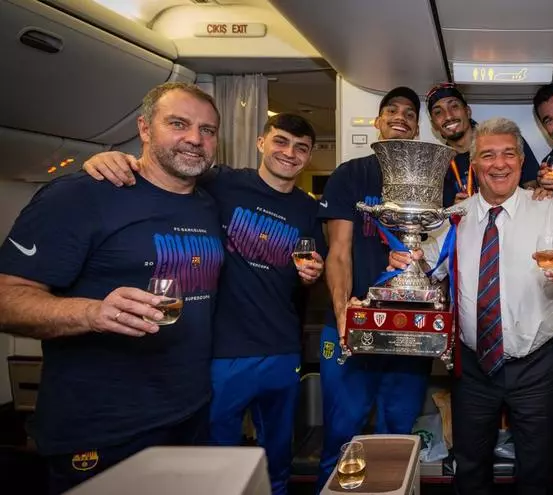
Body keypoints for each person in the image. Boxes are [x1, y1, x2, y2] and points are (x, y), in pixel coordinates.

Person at [80, 112, 326, 495]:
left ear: (308, 157)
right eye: (280, 141)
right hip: (222, 351)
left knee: (278, 457)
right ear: (261, 142)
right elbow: (161, 174)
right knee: (216, 461)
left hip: (282, 347)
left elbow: (309, 266)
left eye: (301, 148)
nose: (289, 153)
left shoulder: (307, 209)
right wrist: (111, 159)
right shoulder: (221, 181)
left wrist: (311, 273)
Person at [0, 82, 225, 494]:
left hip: (189, 413)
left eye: (207, 130)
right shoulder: (80, 196)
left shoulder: (208, 203)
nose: (195, 138)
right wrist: (92, 313)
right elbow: (6, 297)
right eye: (178, 124)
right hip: (103, 427)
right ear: (144, 128)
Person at [391, 117, 553, 495]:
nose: (499, 164)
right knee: (470, 467)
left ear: (521, 161)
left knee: (538, 469)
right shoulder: (453, 218)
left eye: (508, 154)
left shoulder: (552, 212)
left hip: (536, 368)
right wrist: (407, 262)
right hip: (472, 368)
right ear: (474, 164)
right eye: (488, 155)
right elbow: (426, 269)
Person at [316, 86, 431, 491]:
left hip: (408, 328)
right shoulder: (350, 174)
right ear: (378, 122)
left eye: (410, 113)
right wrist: (344, 315)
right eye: (391, 111)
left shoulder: (429, 180)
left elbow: (438, 254)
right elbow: (338, 253)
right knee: (341, 436)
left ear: (416, 129)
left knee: (396, 439)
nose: (400, 117)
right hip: (355, 321)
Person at [426, 83, 541, 206]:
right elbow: (439, 211)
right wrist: (455, 209)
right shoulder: (436, 166)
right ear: (434, 125)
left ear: (468, 111)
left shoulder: (505, 140)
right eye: (438, 112)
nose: (448, 116)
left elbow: (532, 193)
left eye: (454, 106)